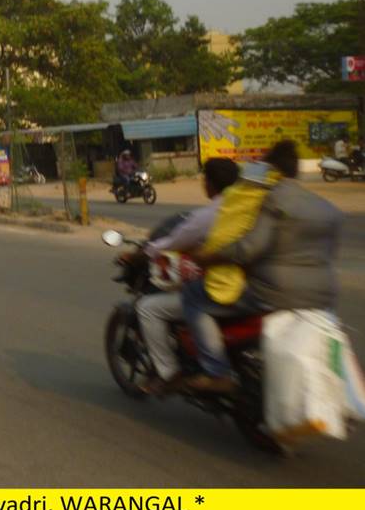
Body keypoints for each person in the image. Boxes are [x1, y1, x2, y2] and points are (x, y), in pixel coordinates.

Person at [180, 140, 342, 394]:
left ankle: (216, 371)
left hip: (274, 293)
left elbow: (248, 249)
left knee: (193, 295)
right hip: (322, 297)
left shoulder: (270, 198)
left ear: (269, 168)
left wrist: (207, 258)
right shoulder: (324, 207)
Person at [134, 158, 240, 396]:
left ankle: (170, 373)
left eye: (205, 179)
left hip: (221, 288)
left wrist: (142, 253)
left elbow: (174, 241)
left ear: (210, 184)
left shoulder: (210, 214)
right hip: (250, 288)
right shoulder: (247, 208)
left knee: (148, 308)